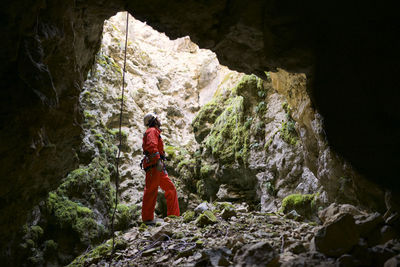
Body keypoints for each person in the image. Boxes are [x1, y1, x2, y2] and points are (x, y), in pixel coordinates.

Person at [141, 113, 180, 224]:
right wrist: (158, 160)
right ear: (153, 121)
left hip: (158, 166)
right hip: (154, 165)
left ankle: (174, 216)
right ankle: (147, 219)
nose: (159, 120)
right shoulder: (151, 131)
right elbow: (151, 146)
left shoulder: (154, 132)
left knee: (170, 188)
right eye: (157, 118)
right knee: (151, 190)